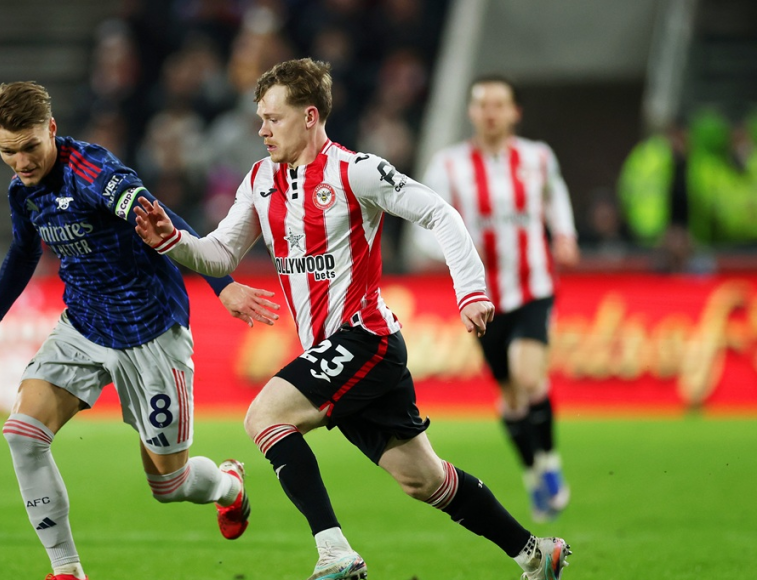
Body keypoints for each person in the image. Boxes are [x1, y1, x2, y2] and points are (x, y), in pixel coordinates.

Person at [135, 59, 571, 580]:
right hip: (337, 352)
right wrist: (172, 241)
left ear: (310, 116)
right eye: (261, 118)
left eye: (273, 118)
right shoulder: (260, 180)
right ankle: (536, 554)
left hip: (366, 338)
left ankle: (335, 552)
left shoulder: (355, 171)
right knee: (425, 480)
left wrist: (471, 291)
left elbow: (439, 213)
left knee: (264, 417)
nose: (262, 129)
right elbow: (221, 254)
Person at [0, 81, 278, 580]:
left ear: (51, 129)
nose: (21, 162)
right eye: (7, 151)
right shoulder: (22, 190)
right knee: (22, 434)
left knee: (169, 485)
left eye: (30, 147)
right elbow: (24, 250)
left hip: (151, 332)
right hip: (83, 327)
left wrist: (224, 285)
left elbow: (161, 218)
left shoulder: (93, 172)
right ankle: (66, 570)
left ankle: (229, 486)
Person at [419, 74, 577, 522]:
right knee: (509, 396)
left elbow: (556, 195)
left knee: (529, 378)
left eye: (499, 104)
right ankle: (531, 473)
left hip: (533, 286)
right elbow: (423, 225)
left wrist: (564, 234)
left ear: (514, 112)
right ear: (471, 112)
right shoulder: (448, 165)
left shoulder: (537, 157)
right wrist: (449, 255)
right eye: (482, 104)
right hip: (481, 297)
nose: (490, 113)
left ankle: (550, 464)